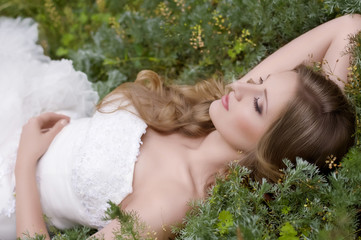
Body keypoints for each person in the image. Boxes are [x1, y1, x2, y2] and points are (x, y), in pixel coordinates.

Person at [0, 13, 359, 240]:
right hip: (25, 115)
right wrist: (321, 126)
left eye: (259, 101)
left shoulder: (169, 202)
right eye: (261, 80)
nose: (241, 86)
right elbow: (350, 27)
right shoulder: (211, 121)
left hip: (11, 187)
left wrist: (25, 162)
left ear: (271, 150)